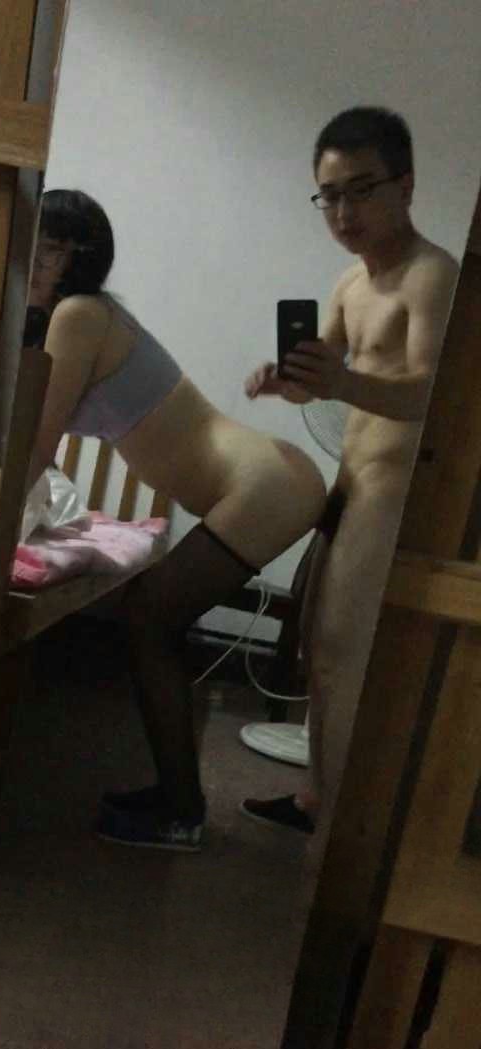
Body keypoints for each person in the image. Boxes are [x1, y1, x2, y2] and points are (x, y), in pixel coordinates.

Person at [24, 188, 326, 850]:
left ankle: (181, 810)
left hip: (263, 484)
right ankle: (175, 797)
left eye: (49, 248)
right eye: (31, 243)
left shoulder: (79, 314)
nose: (33, 260)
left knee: (149, 619)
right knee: (154, 620)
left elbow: (36, 447)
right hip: (267, 478)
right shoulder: (71, 318)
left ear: (80, 256)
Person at [240, 106, 459, 835]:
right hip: (350, 483)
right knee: (318, 645)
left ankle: (342, 829)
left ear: (406, 186)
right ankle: (318, 801)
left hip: (393, 495)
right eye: (329, 196)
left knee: (346, 654)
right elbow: (325, 382)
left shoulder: (432, 276)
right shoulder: (349, 285)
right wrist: (287, 381)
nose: (343, 212)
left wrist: (340, 383)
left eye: (361, 191)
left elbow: (432, 394)